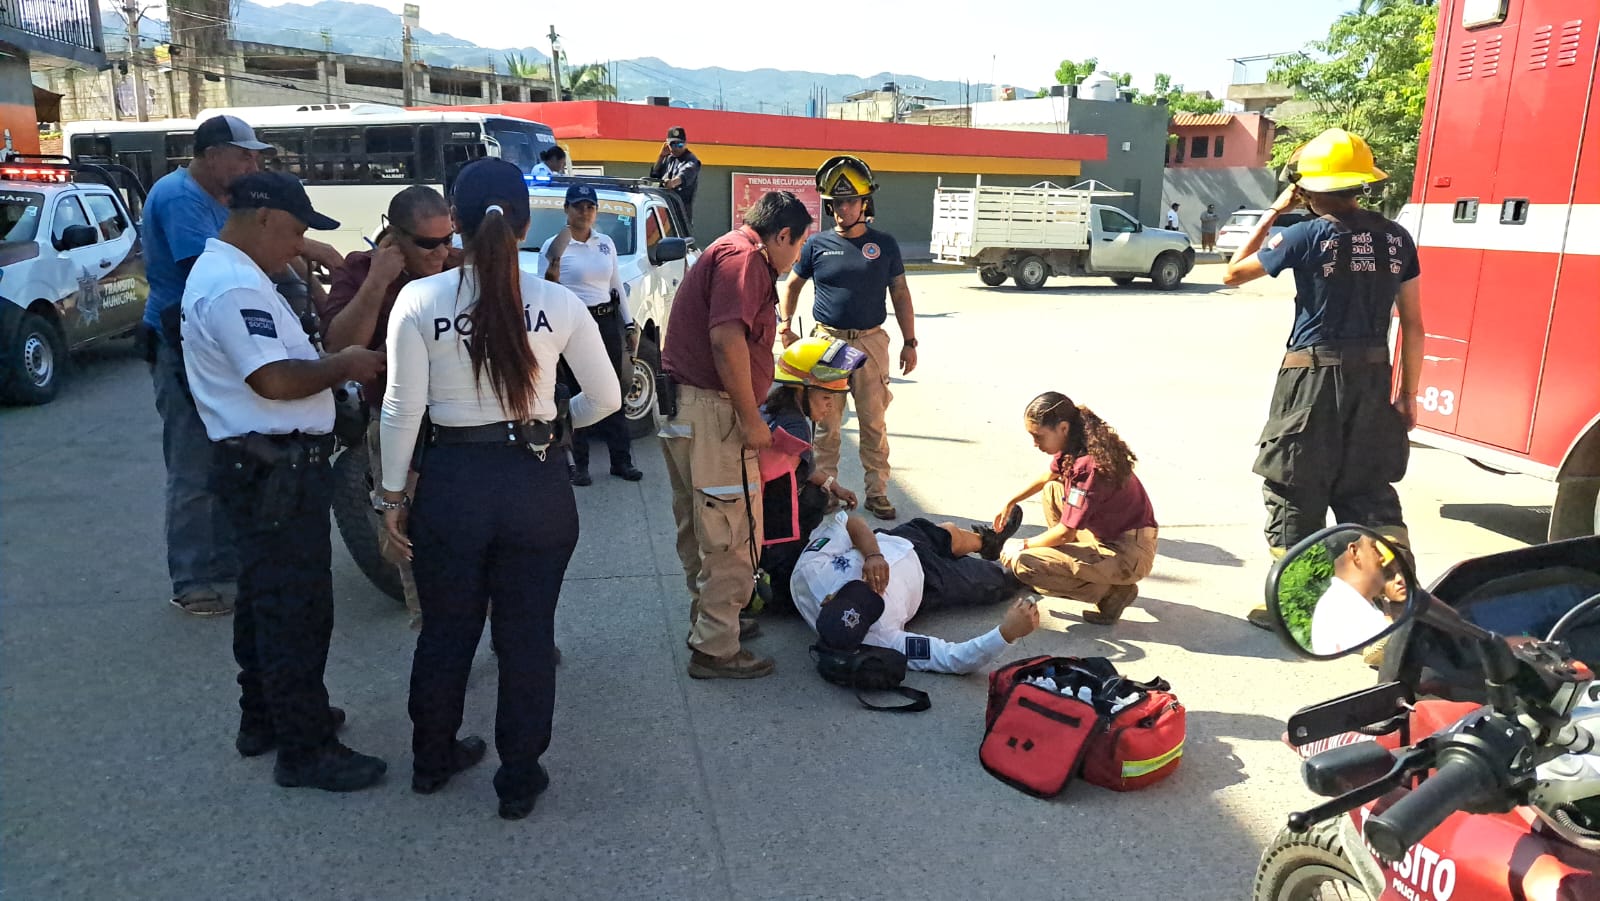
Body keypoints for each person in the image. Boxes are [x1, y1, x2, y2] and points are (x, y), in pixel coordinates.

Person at [378, 158, 620, 818]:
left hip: (452, 485)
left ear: (453, 220)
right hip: (534, 482)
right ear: (523, 221)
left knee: (446, 631)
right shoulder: (558, 303)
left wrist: (392, 498)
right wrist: (556, 422)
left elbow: (400, 409)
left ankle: (432, 758)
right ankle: (519, 777)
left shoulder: (420, 300)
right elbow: (608, 397)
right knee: (527, 635)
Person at [180, 172, 389, 790]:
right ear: (264, 216)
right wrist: (344, 366)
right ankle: (306, 749)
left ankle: (266, 716)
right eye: (295, 231)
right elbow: (272, 380)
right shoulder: (234, 287)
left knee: (265, 602)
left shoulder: (236, 276)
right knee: (296, 609)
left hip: (261, 463)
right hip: (273, 468)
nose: (298, 244)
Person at [143, 114, 345, 616]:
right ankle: (192, 577)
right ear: (212, 156)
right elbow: (232, 276)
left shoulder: (227, 202)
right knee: (196, 459)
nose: (252, 163)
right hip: (180, 340)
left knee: (228, 454)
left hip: (208, 330)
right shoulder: (181, 200)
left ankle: (234, 562)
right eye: (244, 155)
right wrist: (341, 363)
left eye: (257, 156)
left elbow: (267, 255)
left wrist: (312, 287)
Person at [1222, 128, 1423, 630]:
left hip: (1310, 381)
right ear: (1361, 183)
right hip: (1376, 380)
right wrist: (1407, 394)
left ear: (1309, 188)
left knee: (1294, 486)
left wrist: (1275, 209)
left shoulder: (1301, 234)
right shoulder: (1397, 237)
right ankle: (1391, 618)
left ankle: (1298, 607)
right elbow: (1414, 323)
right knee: (1368, 491)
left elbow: (1231, 272)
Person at [660, 191, 813, 680]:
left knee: (701, 526)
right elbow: (726, 339)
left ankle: (712, 622)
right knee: (732, 533)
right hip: (714, 414)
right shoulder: (745, 258)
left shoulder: (727, 250)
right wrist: (751, 418)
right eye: (798, 243)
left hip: (689, 410)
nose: (796, 258)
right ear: (782, 235)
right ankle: (716, 648)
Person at [318, 185, 460, 629]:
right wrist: (379, 281)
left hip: (458, 422)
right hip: (397, 421)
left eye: (447, 240)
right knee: (408, 538)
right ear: (395, 239)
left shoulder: (457, 269)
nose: (440, 253)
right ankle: (430, 629)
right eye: (427, 243)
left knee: (477, 531)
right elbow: (341, 347)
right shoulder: (361, 272)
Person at [779, 155, 916, 522]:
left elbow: (900, 294)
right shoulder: (816, 245)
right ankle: (826, 492)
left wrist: (910, 341)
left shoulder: (884, 244)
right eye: (837, 203)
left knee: (873, 423)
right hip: (829, 343)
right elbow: (792, 285)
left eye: (850, 201)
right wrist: (785, 324)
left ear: (865, 203)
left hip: (871, 342)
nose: (843, 209)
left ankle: (878, 493)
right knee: (827, 424)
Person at [792, 510, 1035, 674]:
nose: (874, 585)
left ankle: (991, 542)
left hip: (890, 542)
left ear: (828, 599)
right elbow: (952, 657)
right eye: (874, 600)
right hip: (931, 580)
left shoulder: (809, 570)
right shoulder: (879, 639)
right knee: (1003, 579)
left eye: (859, 590)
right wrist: (1006, 633)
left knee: (948, 533)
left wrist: (873, 554)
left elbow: (849, 522)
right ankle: (1042, 566)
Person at [994, 392, 1159, 625]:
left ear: (1062, 428)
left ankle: (1111, 594)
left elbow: (1066, 532)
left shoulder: (1088, 467)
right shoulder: (1074, 443)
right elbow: (1048, 477)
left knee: (1025, 563)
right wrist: (1011, 500)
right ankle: (1075, 565)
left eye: (1038, 436)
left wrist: (1021, 545)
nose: (1034, 443)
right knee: (1053, 489)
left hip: (1128, 553)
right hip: (1114, 536)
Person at [539, 182, 642, 485]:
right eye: (578, 206)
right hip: (571, 325)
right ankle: (579, 465)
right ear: (566, 210)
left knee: (613, 392)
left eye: (590, 207)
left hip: (605, 321)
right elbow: (545, 290)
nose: (584, 212)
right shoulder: (553, 246)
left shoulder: (605, 243)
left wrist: (628, 324)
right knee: (574, 394)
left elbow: (615, 285)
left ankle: (621, 461)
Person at [757, 336, 867, 608]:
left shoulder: (771, 408)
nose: (830, 406)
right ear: (801, 390)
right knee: (815, 499)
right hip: (775, 520)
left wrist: (834, 484)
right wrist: (829, 488)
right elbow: (797, 474)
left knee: (821, 492)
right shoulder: (795, 426)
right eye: (826, 397)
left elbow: (803, 467)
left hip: (757, 512)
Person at [1308, 530, 1394, 655]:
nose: (1383, 557)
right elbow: (1388, 650)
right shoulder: (1341, 606)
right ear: (1354, 552)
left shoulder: (1350, 600)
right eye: (1375, 548)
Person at [649, 126, 701, 226]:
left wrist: (672, 183)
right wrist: (661, 156)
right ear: (667, 144)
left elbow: (683, 176)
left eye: (680, 144)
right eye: (673, 144)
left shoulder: (691, 161)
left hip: (681, 217)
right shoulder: (668, 158)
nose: (676, 148)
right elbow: (654, 176)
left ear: (685, 144)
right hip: (664, 213)